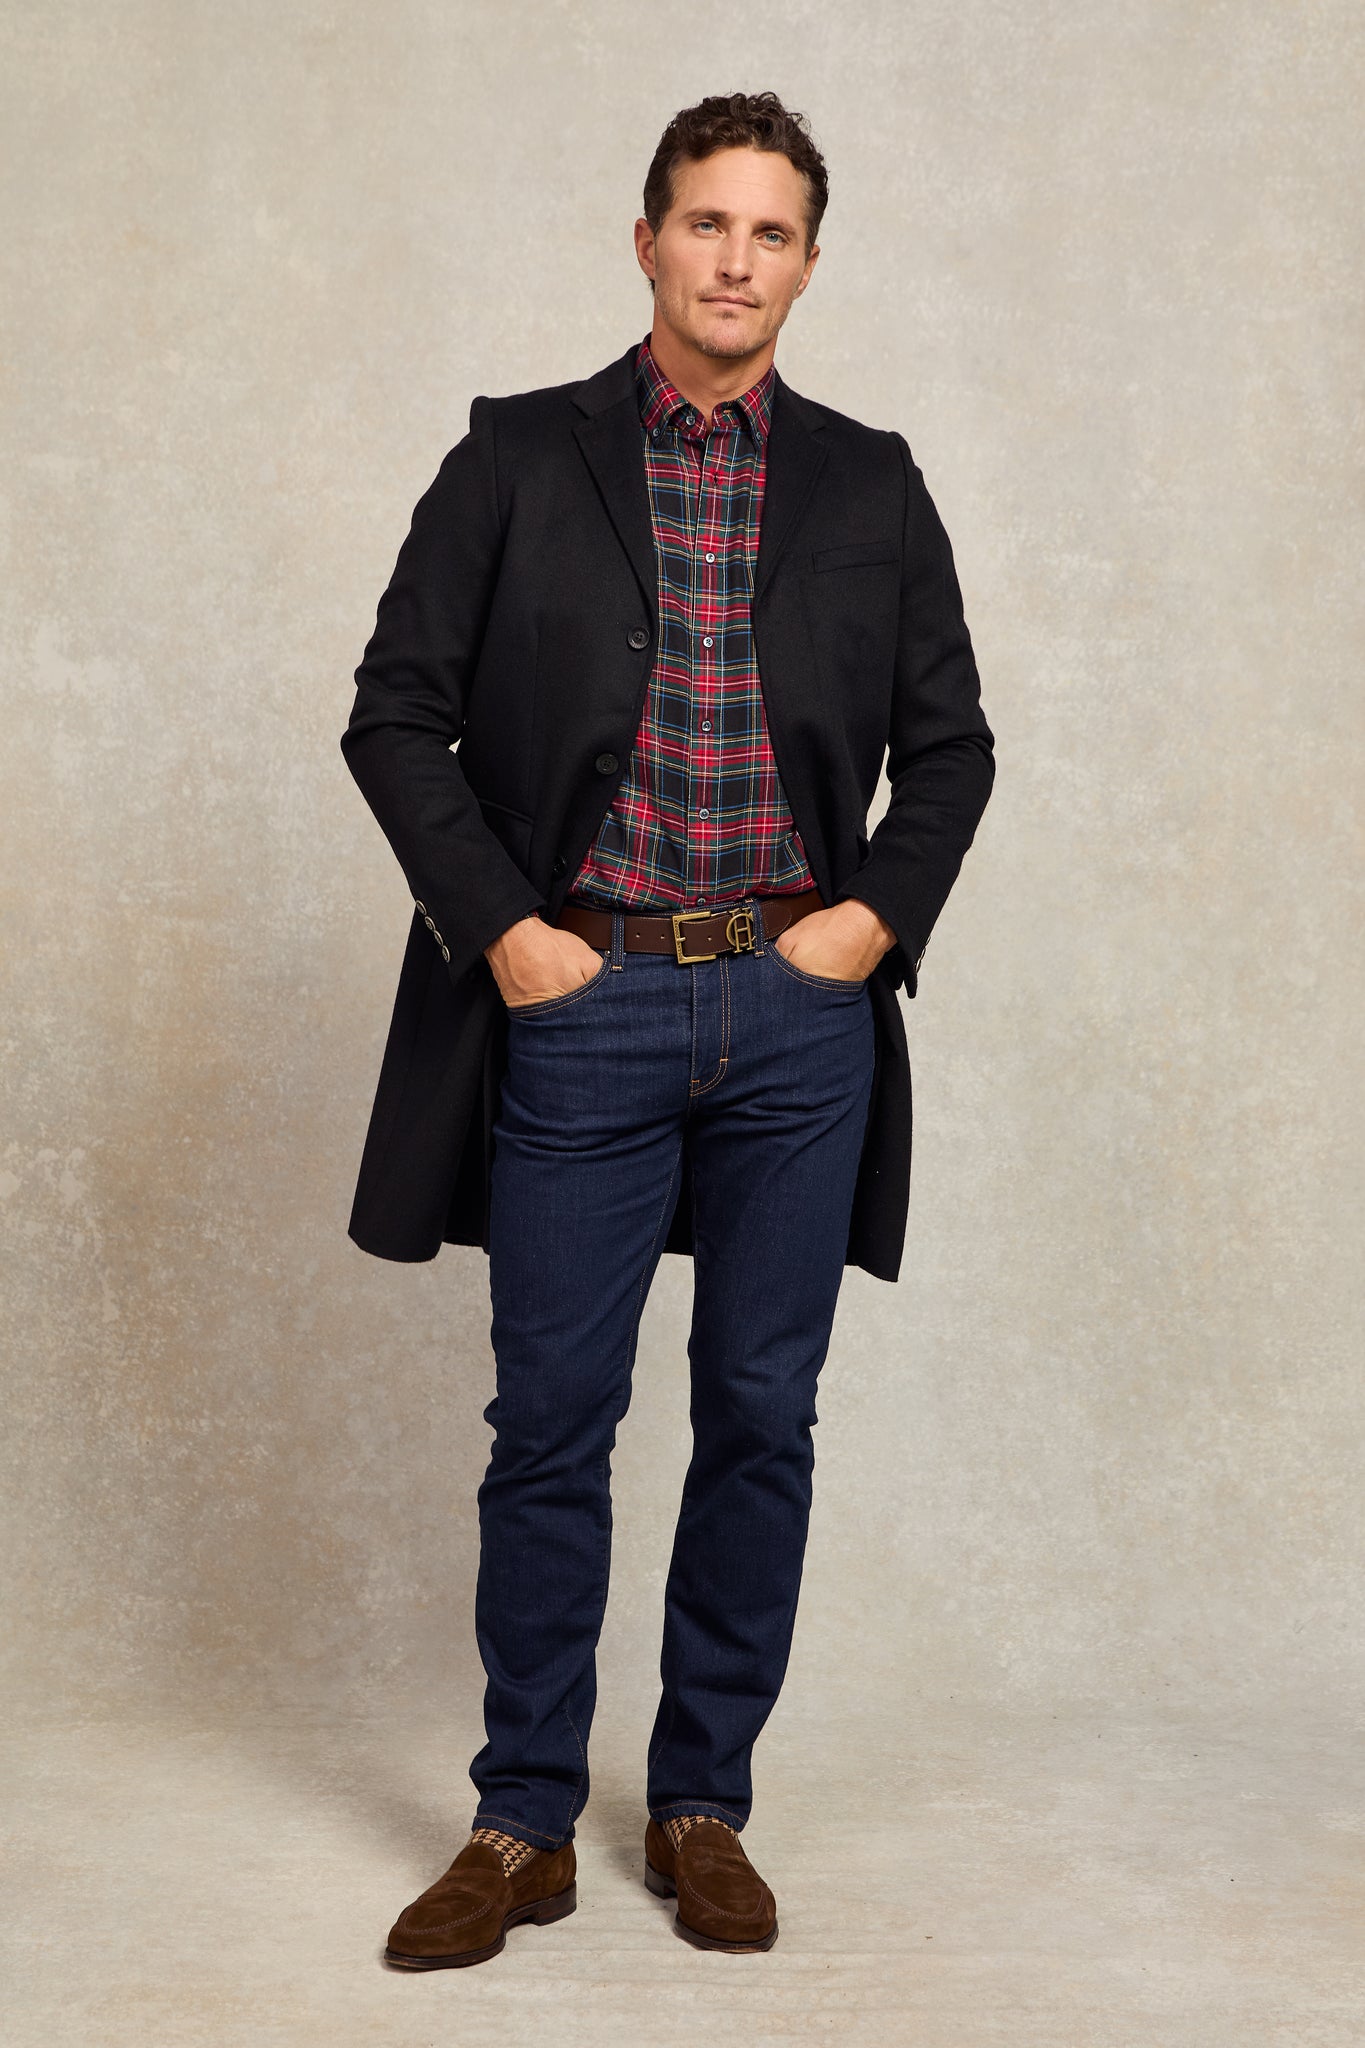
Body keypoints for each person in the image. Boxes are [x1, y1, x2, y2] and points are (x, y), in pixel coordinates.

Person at [340, 88, 995, 1969]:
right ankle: (521, 1819)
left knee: (759, 1417)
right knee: (551, 1422)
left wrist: (861, 928)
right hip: (587, 1006)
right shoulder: (515, 457)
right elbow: (394, 713)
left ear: (807, 263)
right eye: (706, 222)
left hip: (797, 1019)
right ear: (646, 242)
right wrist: (509, 937)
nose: (735, 258)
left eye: (770, 232)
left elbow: (951, 749)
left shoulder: (871, 483)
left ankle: (702, 1803)